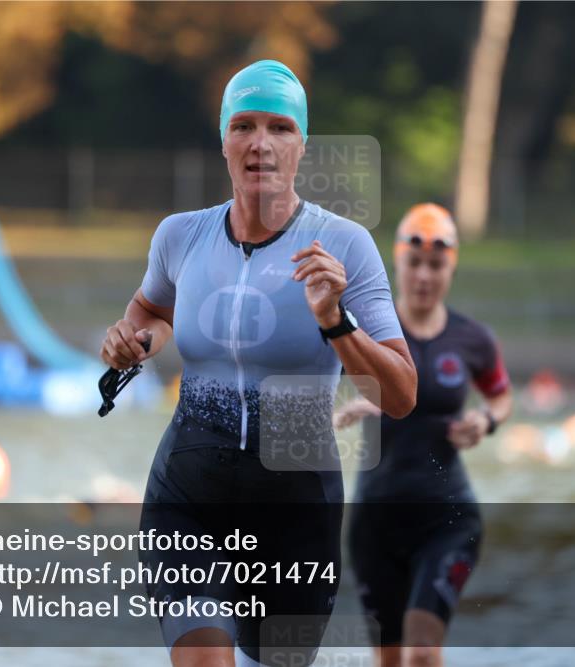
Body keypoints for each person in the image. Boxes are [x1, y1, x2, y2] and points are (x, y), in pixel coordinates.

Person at [100, 59, 417, 667]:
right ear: (223, 140)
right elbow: (152, 311)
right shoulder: (180, 236)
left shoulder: (344, 246)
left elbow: (401, 395)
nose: (260, 144)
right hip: (188, 495)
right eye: (243, 126)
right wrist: (131, 341)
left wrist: (336, 321)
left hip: (296, 510)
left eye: (279, 128)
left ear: (302, 145)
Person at [334, 203, 513, 667]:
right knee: (391, 660)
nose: (424, 277)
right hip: (375, 521)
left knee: (422, 651)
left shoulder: (473, 339)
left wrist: (486, 421)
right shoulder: (365, 332)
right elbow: (314, 382)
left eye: (436, 265)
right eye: (415, 263)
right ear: (398, 262)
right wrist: (362, 402)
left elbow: (500, 397)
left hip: (447, 520)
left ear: (451, 268)